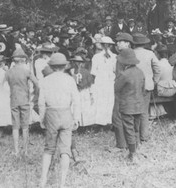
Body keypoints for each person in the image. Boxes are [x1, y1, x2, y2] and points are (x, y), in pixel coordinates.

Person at [38, 53, 80, 188]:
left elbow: (41, 103)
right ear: (65, 66)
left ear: (51, 66)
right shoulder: (69, 79)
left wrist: (41, 118)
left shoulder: (45, 80)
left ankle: (43, 180)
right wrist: (76, 117)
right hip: (66, 113)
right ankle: (62, 182)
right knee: (65, 149)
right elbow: (76, 101)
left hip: (51, 113)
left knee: (49, 148)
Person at [6, 48, 40, 156]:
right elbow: (37, 84)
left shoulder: (9, 72)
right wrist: (35, 96)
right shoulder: (27, 71)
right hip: (25, 99)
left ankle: (16, 150)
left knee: (15, 126)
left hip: (14, 99)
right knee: (25, 126)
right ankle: (25, 150)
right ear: (23, 60)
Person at [114, 48, 145, 162]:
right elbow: (143, 89)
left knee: (128, 129)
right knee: (136, 128)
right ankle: (136, 149)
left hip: (127, 106)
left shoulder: (124, 74)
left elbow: (116, 88)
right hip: (139, 105)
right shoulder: (140, 72)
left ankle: (132, 154)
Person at [132, 33, 160, 143]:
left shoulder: (131, 54)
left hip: (133, 85)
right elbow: (157, 69)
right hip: (147, 85)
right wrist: (155, 81)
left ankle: (135, 135)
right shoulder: (150, 54)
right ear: (144, 43)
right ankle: (144, 135)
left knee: (133, 110)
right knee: (144, 111)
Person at [112, 32, 134, 148]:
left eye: (120, 42)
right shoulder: (131, 54)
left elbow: (122, 76)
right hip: (130, 90)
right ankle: (129, 142)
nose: (117, 43)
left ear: (127, 43)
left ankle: (121, 144)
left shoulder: (122, 56)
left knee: (117, 116)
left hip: (122, 90)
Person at [90, 36, 117, 126]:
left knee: (104, 101)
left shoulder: (113, 57)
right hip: (104, 82)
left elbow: (93, 72)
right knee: (106, 100)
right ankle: (104, 122)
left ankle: (103, 122)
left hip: (105, 82)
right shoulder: (98, 57)